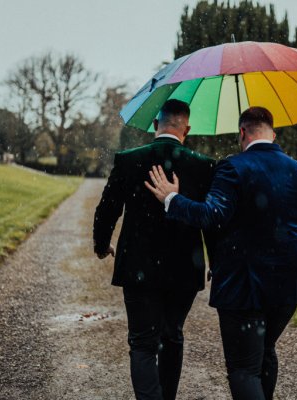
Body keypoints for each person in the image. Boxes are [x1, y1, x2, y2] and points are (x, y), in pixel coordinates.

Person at [145, 106, 297, 400]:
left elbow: (211, 215)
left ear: (242, 132)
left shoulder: (233, 168)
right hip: (289, 284)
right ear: (272, 134)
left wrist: (171, 199)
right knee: (265, 352)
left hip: (245, 284)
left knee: (243, 369)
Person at [93, 99, 215, 400]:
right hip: (185, 268)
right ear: (186, 129)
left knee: (142, 343)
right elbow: (212, 218)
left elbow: (107, 209)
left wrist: (101, 243)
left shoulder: (129, 160)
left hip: (138, 266)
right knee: (171, 336)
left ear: (155, 124)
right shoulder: (203, 166)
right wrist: (217, 260)